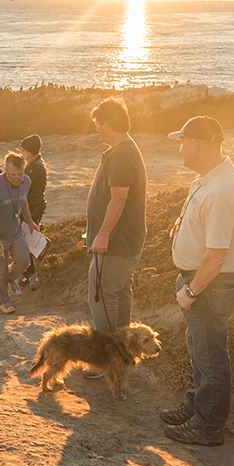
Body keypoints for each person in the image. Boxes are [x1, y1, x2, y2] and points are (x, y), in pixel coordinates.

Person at [160, 116, 234, 447]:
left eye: (182, 142)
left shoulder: (223, 189)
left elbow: (216, 256)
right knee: (201, 349)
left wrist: (192, 290)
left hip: (207, 286)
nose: (180, 148)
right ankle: (197, 407)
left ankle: (208, 425)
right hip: (201, 283)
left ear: (196, 145)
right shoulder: (210, 178)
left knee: (211, 355)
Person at [85, 99, 147, 343]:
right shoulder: (125, 149)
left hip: (115, 243)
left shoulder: (122, 154)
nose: (97, 130)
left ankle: (108, 356)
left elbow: (119, 199)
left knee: (101, 296)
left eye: (99, 125)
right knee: (120, 293)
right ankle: (122, 351)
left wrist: (102, 234)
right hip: (124, 241)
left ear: (107, 124)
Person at [0, 153, 37, 314]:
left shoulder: (26, 181)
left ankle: (10, 279)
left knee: (23, 260)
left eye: (20, 175)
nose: (17, 179)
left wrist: (30, 221)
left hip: (15, 230)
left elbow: (23, 199)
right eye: (13, 175)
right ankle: (3, 300)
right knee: (0, 268)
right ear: (5, 170)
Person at [18, 134, 47, 291]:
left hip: (32, 207)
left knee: (26, 240)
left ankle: (31, 273)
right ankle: (28, 272)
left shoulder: (33, 167)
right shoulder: (35, 163)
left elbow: (22, 187)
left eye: (23, 149)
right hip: (34, 206)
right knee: (26, 240)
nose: (21, 152)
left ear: (30, 150)